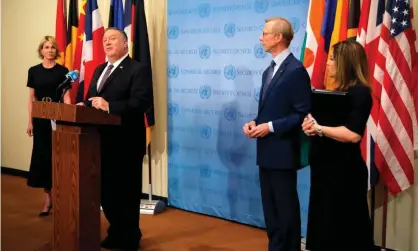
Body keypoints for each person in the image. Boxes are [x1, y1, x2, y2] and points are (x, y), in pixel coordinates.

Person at [77, 27, 153, 251]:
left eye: (112, 39)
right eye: (104, 40)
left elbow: (141, 102)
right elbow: (92, 99)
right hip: (99, 141)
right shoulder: (100, 69)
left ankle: (129, 237)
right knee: (106, 192)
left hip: (126, 142)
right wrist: (85, 105)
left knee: (126, 193)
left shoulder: (137, 69)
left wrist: (110, 106)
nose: (107, 43)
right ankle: (117, 230)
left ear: (125, 44)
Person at [242, 17, 311, 251]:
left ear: (278, 37)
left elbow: (301, 114)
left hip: (283, 151)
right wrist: (254, 123)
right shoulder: (268, 71)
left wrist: (269, 127)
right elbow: (271, 110)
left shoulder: (296, 70)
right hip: (266, 150)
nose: (261, 38)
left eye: (264, 33)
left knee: (285, 209)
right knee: (270, 210)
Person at [302, 40, 375, 251]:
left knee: (346, 233)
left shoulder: (360, 93)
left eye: (332, 59)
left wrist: (319, 129)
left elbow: (352, 134)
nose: (327, 63)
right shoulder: (335, 93)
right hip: (325, 170)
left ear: (346, 62)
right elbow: (322, 124)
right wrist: (310, 126)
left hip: (345, 174)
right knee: (324, 229)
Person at [26, 35, 71, 217]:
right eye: (46, 47)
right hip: (40, 120)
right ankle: (48, 199)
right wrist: (30, 121)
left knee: (59, 157)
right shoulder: (33, 71)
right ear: (41, 51)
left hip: (58, 119)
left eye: (53, 47)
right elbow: (31, 98)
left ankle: (61, 196)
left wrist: (70, 116)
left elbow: (67, 97)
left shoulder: (63, 71)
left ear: (56, 50)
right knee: (44, 158)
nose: (50, 50)